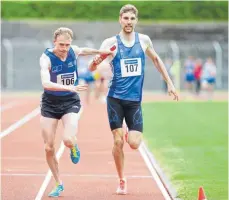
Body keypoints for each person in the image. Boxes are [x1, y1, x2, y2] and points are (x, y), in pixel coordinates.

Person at [88, 4, 178, 195]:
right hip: (115, 99)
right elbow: (91, 69)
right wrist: (95, 62)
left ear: (136, 20)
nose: (128, 22)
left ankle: (129, 133)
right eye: (125, 18)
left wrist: (169, 83)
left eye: (132, 19)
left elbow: (156, 60)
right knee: (118, 141)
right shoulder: (110, 43)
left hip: (134, 101)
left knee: (135, 144)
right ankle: (121, 179)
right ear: (120, 19)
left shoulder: (143, 40)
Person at [40, 27, 112, 198]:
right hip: (50, 103)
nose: (64, 48)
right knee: (48, 147)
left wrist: (101, 51)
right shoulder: (46, 58)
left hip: (70, 102)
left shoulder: (73, 50)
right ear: (54, 42)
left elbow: (84, 50)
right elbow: (45, 83)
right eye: (61, 45)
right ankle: (58, 183)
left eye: (67, 45)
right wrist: (70, 86)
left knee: (67, 139)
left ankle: (73, 145)